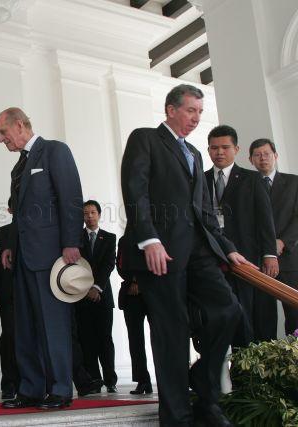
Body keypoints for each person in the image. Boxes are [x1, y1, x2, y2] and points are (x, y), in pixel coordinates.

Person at [120, 84, 253, 426]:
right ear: (171, 110)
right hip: (161, 253)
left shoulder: (194, 153)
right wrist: (149, 239)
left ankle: (201, 384)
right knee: (171, 333)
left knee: (228, 310)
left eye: (200, 111)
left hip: (199, 250)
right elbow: (136, 190)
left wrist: (229, 250)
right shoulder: (145, 138)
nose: (197, 118)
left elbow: (205, 210)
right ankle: (178, 417)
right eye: (191, 110)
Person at [0, 107, 84, 410]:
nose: (0, 139)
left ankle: (60, 389)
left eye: (2, 132)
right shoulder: (17, 167)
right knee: (25, 326)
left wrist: (71, 242)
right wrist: (9, 245)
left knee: (53, 324)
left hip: (51, 255)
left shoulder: (54, 151)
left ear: (19, 125)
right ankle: (31, 389)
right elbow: (19, 214)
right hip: (22, 256)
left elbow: (71, 197)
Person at [204, 125, 278, 344]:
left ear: (236, 149)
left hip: (249, 259)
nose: (219, 152)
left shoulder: (253, 180)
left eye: (225, 147)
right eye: (214, 148)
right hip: (214, 259)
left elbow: (266, 221)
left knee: (255, 316)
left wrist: (270, 254)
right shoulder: (200, 180)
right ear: (208, 150)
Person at [249, 138, 298, 336]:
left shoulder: (294, 182)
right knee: (262, 318)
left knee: (295, 316)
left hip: (290, 259)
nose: (263, 159)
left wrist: (282, 241)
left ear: (275, 156)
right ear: (250, 160)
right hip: (258, 260)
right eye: (257, 155)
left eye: (267, 154)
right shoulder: (246, 184)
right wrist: (267, 246)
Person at [75, 200, 118, 393]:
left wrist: (96, 287)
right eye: (86, 213)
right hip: (81, 297)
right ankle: (94, 380)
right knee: (87, 340)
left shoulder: (109, 237)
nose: (89, 216)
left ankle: (110, 380)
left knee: (105, 339)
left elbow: (109, 264)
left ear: (99, 215)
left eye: (93, 212)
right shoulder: (76, 239)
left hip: (102, 296)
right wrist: (86, 289)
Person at [0, 198, 19, 400]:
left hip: (33, 295)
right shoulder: (0, 234)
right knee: (9, 337)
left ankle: (32, 382)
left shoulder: (36, 231)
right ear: (9, 209)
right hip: (7, 295)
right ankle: (9, 384)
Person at [116, 236, 152, 395]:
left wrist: (141, 282)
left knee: (160, 339)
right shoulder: (124, 240)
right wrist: (133, 281)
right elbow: (120, 265)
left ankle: (166, 378)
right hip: (131, 294)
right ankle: (143, 380)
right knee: (135, 340)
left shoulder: (155, 236)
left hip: (153, 293)